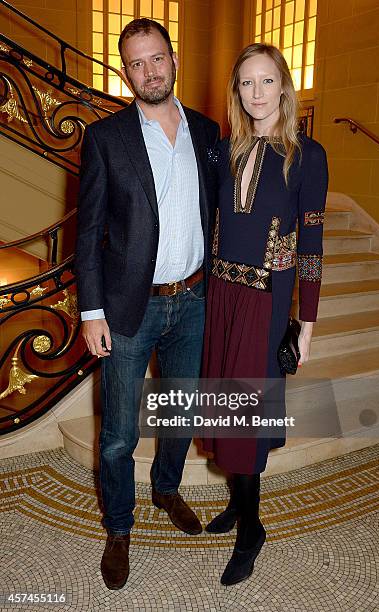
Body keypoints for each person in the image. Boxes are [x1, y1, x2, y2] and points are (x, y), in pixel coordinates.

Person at [75, 18, 219, 590]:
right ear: (124, 70)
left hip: (194, 299)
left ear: (173, 58)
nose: (148, 71)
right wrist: (92, 313)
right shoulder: (105, 137)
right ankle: (118, 526)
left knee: (181, 414)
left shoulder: (208, 133)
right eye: (135, 63)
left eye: (156, 58)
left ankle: (166, 488)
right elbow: (87, 235)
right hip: (129, 308)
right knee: (117, 434)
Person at [201, 43, 328, 586]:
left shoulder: (308, 154)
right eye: (246, 83)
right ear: (238, 90)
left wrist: (308, 322)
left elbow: (313, 245)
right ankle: (240, 500)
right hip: (221, 297)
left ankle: (251, 528)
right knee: (223, 409)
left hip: (266, 300)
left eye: (266, 81)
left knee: (246, 421)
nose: (256, 93)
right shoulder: (225, 150)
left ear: (283, 86)